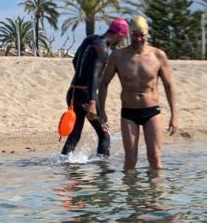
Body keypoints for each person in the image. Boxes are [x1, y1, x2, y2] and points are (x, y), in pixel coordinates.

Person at [98, 16, 178, 170]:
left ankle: (156, 186)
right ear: (130, 34)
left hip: (152, 112)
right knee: (130, 160)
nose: (138, 38)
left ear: (147, 34)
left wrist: (174, 116)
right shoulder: (118, 56)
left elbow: (169, 87)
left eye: (142, 35)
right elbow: (103, 84)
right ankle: (130, 187)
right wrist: (102, 112)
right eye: (135, 34)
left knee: (155, 157)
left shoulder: (158, 55)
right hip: (129, 113)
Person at [61, 17, 129, 158]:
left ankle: (65, 164)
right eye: (123, 38)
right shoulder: (103, 49)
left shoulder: (90, 39)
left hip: (73, 92)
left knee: (74, 135)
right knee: (104, 135)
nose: (122, 41)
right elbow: (94, 74)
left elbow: (75, 60)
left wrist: (81, 77)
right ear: (119, 35)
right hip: (87, 96)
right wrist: (92, 101)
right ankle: (102, 169)